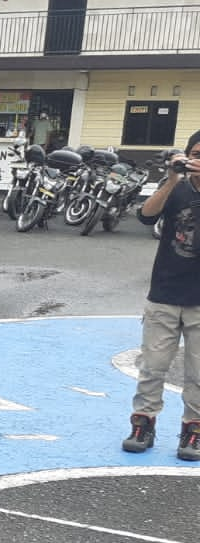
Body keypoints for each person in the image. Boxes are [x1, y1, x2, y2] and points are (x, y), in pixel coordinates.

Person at [124, 133, 200, 460]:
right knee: (153, 366)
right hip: (165, 295)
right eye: (195, 154)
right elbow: (146, 215)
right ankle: (144, 423)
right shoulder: (177, 188)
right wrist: (171, 180)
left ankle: (193, 430)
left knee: (198, 372)